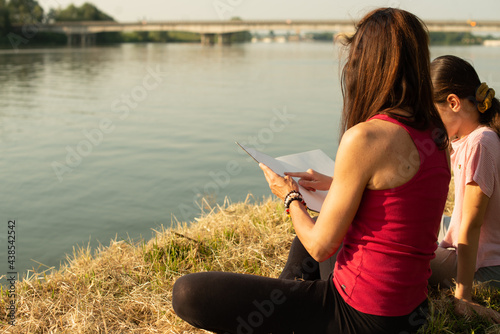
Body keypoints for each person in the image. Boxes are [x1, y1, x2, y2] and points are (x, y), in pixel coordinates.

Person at [172, 8, 450, 333]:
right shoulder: (437, 134)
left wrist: (289, 196)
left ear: (369, 64)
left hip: (359, 316)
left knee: (187, 292)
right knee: (307, 241)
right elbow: (400, 203)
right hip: (410, 313)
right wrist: (337, 183)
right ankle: (283, 304)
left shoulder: (367, 137)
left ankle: (280, 313)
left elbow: (322, 247)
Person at [428, 55, 500, 322]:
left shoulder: (482, 142)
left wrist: (463, 297)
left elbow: (471, 224)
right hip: (476, 250)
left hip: (487, 268)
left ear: (453, 103)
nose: (430, 125)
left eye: (432, 115)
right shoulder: (467, 137)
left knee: (404, 251)